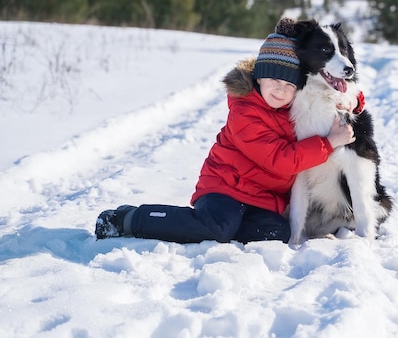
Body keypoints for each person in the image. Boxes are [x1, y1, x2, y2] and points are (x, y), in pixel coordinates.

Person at [95, 18, 361, 244]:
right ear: (259, 77)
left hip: (264, 199)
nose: (280, 90)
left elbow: (331, 97)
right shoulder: (246, 111)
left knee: (275, 234)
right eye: (273, 81)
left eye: (288, 84)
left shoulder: (295, 106)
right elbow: (281, 160)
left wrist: (354, 101)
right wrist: (328, 143)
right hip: (225, 188)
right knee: (217, 227)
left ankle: (228, 230)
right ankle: (130, 219)